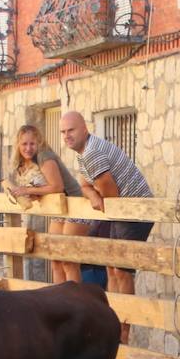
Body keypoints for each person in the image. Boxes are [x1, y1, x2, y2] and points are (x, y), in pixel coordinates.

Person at [61, 111, 153, 341]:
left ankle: (123, 332)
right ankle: (113, 326)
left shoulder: (92, 153)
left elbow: (110, 195)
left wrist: (95, 194)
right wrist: (92, 194)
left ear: (84, 129)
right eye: (63, 132)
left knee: (121, 270)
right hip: (122, 211)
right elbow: (84, 184)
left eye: (70, 130)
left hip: (135, 211)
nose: (66, 136)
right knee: (111, 268)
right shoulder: (84, 154)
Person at [6, 124, 92, 284]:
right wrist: (32, 193)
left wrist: (27, 190)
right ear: (18, 145)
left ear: (39, 142)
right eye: (24, 144)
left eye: (32, 143)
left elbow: (57, 186)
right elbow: (45, 189)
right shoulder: (25, 164)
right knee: (55, 260)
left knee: (68, 260)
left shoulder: (44, 156)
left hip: (75, 207)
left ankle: (75, 304)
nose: (28, 148)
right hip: (59, 211)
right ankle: (59, 302)